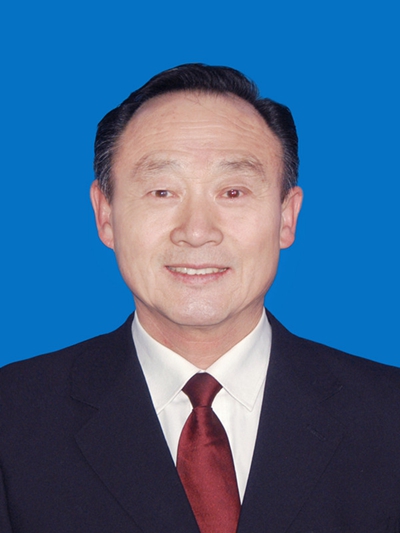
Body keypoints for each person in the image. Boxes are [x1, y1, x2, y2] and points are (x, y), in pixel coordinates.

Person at [1, 64, 400, 533]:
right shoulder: (13, 417)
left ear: (286, 217)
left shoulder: (388, 417)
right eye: (162, 191)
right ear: (105, 215)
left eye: (233, 191)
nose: (196, 231)